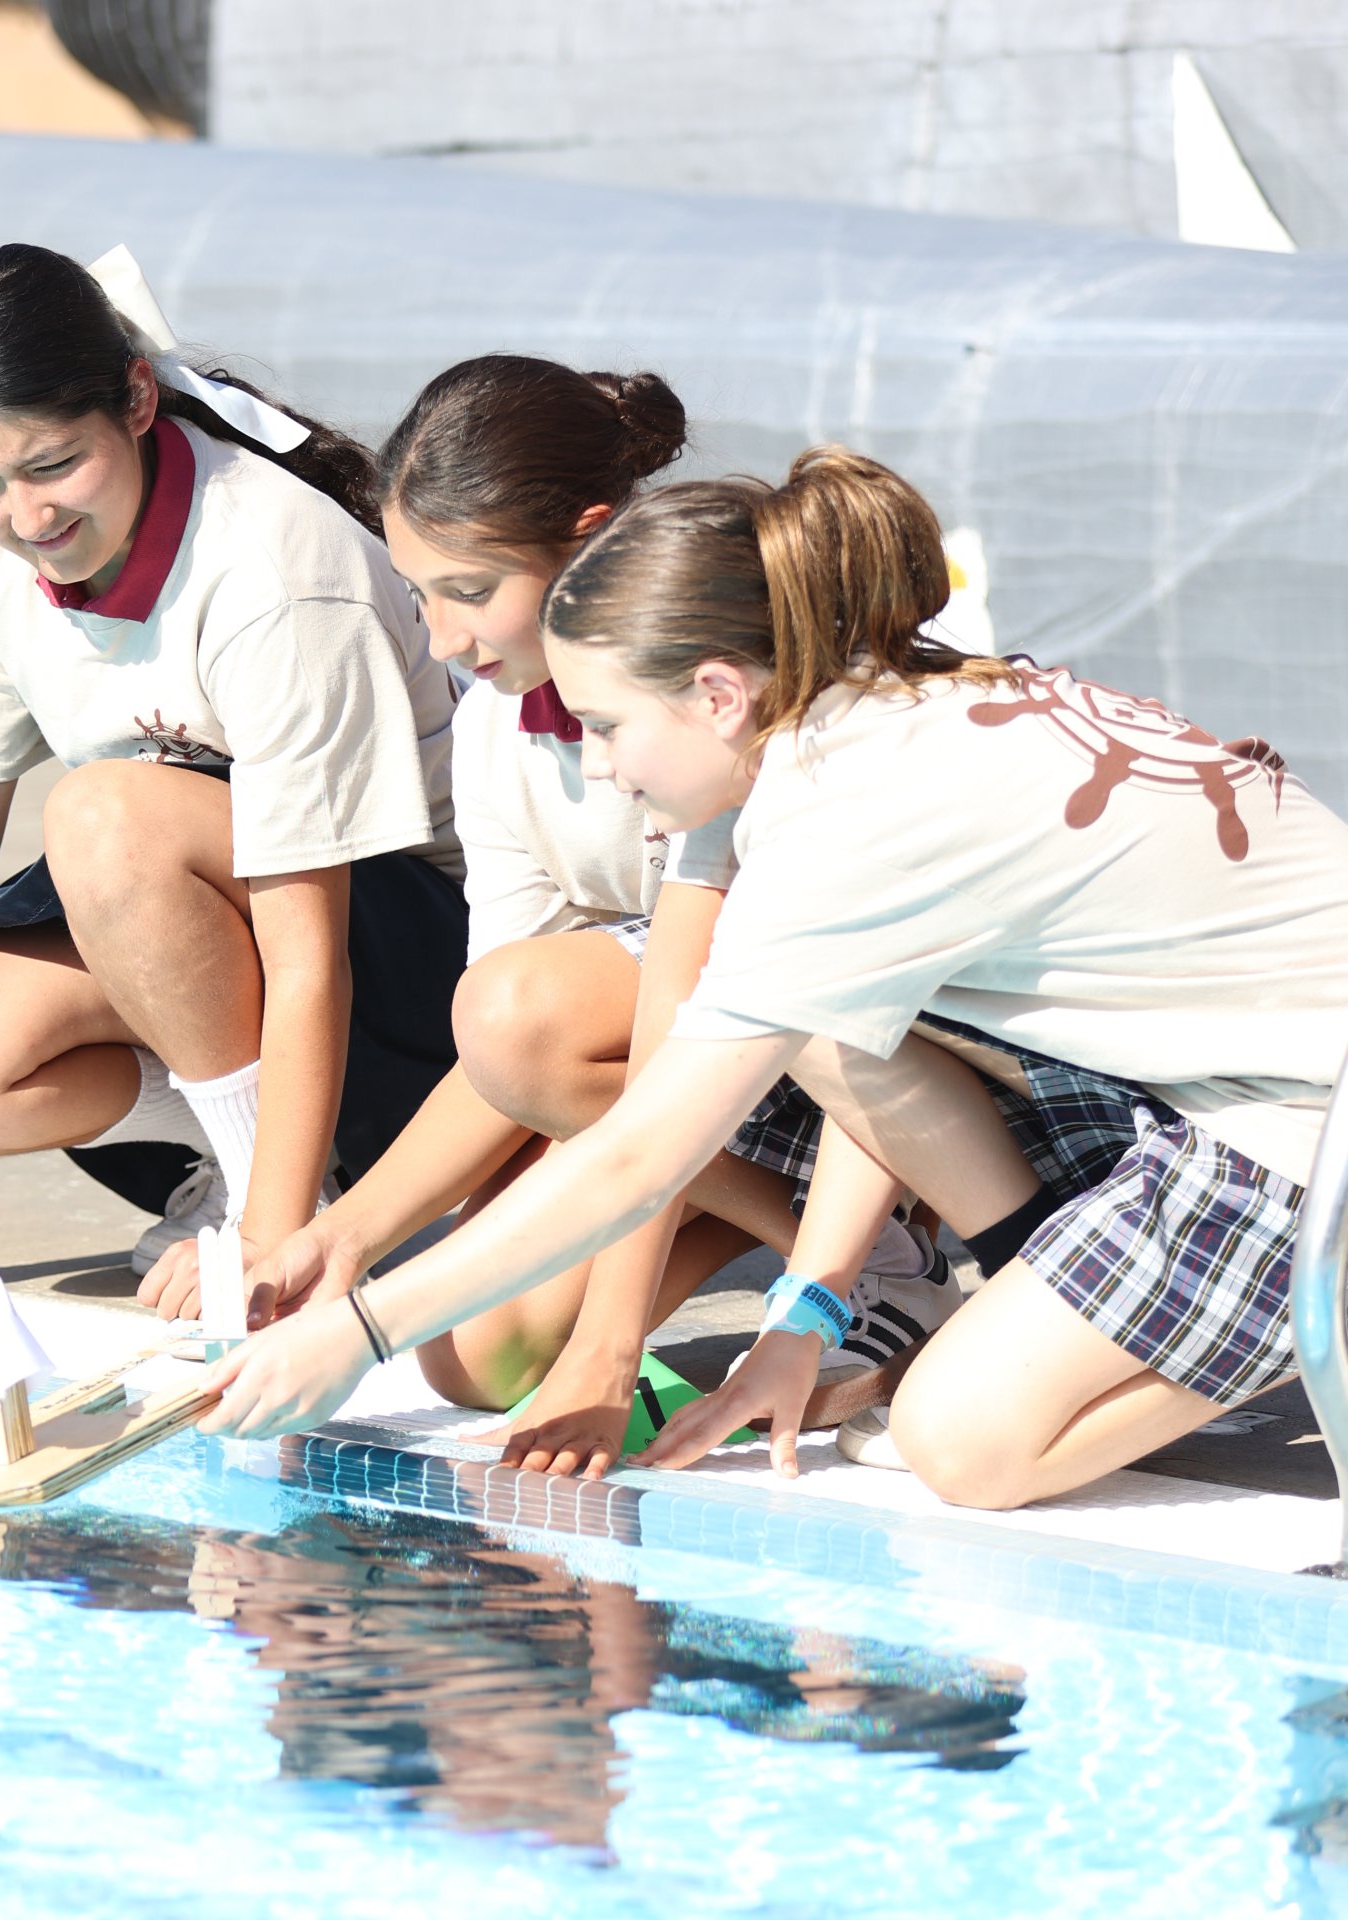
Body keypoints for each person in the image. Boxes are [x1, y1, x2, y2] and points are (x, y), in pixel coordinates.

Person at [200, 446, 1348, 1511]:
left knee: (967, 1444)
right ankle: (1019, 1276)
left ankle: (1321, 1304)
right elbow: (814, 1044)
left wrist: (358, 1331)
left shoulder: (851, 822)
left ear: (714, 693)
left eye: (602, 724)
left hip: (1307, 1125)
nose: (595, 761)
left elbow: (643, 1154)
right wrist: (802, 1314)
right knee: (785, 1023)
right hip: (1202, 1078)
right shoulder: (835, 707)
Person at [179, 356, 954, 1480]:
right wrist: (347, 1237)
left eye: (469, 589)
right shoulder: (503, 718)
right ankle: (825, 1235)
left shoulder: (740, 707)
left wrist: (607, 1353)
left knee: (519, 1013)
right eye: (420, 596)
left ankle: (879, 1249)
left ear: (588, 539)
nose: (441, 639)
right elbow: (526, 1071)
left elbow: (643, 1047)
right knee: (477, 1356)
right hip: (718, 1063)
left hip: (870, 1070)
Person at [0, 244, 464, 1308]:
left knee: (106, 815)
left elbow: (307, 937)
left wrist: (266, 1240)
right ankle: (265, 1165)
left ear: (139, 400)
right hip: (243, 933)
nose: (28, 516)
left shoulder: (274, 571)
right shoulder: (10, 555)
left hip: (423, 989)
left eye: (56, 465)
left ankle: (289, 1189)